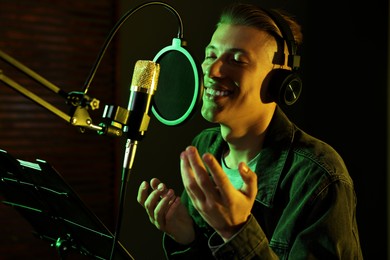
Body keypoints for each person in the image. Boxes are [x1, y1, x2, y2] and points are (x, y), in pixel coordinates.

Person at [137, 2, 363, 259]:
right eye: (211, 55)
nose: (211, 71)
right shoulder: (203, 148)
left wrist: (237, 232)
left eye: (237, 60)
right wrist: (188, 238)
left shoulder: (317, 177)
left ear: (279, 83)